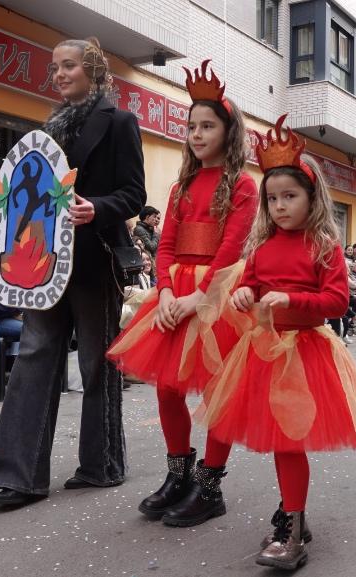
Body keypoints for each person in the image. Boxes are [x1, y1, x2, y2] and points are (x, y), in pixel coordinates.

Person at [201, 123, 356, 570]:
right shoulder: (261, 246)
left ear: (312, 198)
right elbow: (248, 287)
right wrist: (245, 294)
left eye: (290, 197)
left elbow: (337, 301)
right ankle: (292, 516)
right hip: (263, 353)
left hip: (305, 354)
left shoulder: (324, 246)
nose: (279, 206)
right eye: (272, 198)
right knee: (281, 442)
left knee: (289, 442)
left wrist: (293, 299)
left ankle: (292, 527)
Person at [0, 37, 146, 505]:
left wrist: (95, 207)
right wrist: (3, 215)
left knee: (96, 363)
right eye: (55, 67)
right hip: (41, 262)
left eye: (68, 66)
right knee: (34, 357)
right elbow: (26, 195)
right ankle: (18, 476)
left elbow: (134, 194)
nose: (58, 74)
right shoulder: (46, 130)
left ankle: (102, 465)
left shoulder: (120, 122)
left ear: (93, 70)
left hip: (94, 261)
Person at [107, 60, 258, 527]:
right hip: (175, 296)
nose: (196, 133)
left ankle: (210, 487)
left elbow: (231, 250)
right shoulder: (181, 186)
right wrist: (168, 292)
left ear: (228, 133)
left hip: (216, 297)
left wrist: (201, 298)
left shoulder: (245, 187)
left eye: (207, 126)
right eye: (191, 125)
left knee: (219, 392)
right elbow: (166, 244)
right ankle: (179, 474)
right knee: (168, 389)